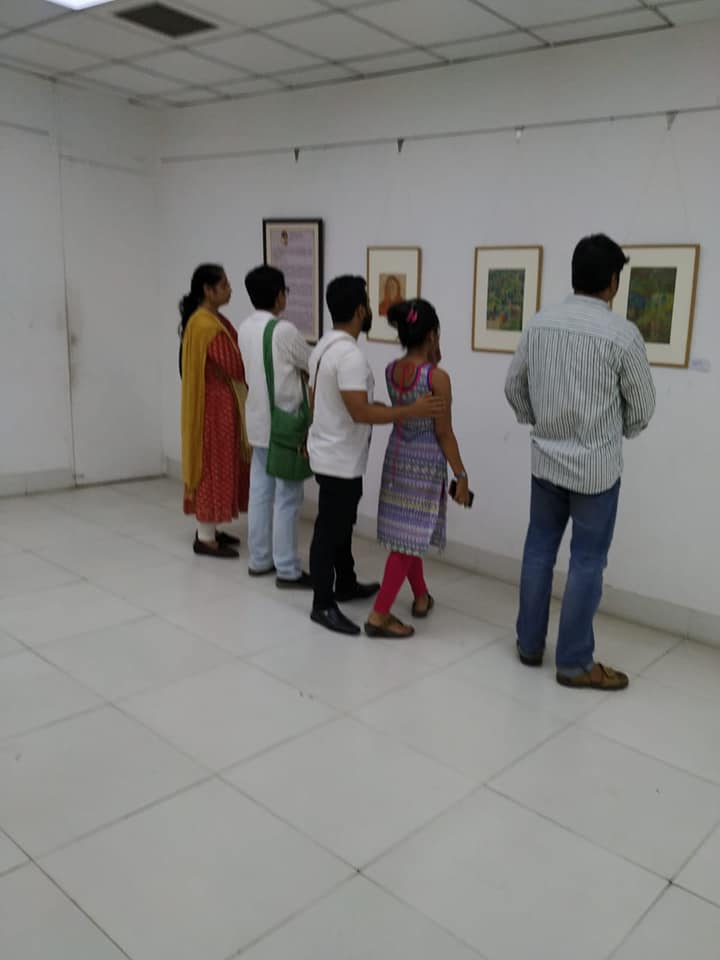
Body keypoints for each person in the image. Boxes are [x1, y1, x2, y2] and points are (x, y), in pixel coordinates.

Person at [505, 234, 656, 690]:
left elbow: (514, 387)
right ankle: (573, 663)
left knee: (538, 550)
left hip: (546, 464)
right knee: (587, 561)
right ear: (612, 281)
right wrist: (614, 433)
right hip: (597, 471)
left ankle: (529, 644)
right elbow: (642, 409)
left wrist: (538, 422)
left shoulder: (540, 324)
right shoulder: (622, 335)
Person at [308, 275, 446, 636]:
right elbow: (360, 412)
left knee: (341, 526)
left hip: (330, 449)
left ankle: (346, 582)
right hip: (339, 457)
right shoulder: (350, 356)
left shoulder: (323, 346)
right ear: (359, 311)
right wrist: (410, 410)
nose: (370, 311)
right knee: (329, 531)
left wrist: (382, 410)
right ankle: (322, 603)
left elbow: (318, 399)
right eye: (367, 305)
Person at [366, 299, 470, 638]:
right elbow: (444, 432)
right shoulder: (437, 378)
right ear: (432, 334)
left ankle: (421, 596)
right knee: (409, 538)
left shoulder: (391, 370)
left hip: (397, 457)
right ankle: (379, 614)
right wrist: (461, 475)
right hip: (425, 463)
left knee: (410, 532)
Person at [238, 265, 312, 588]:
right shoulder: (283, 331)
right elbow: (312, 362)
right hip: (284, 424)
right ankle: (287, 568)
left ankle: (259, 559)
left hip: (257, 421)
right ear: (280, 295)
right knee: (288, 497)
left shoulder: (245, 327)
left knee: (260, 492)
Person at [179, 264, 250, 558]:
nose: (230, 290)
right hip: (214, 409)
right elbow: (234, 365)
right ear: (208, 291)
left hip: (218, 404)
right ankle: (205, 538)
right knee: (212, 469)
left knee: (220, 466)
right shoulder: (206, 325)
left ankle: (210, 529)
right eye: (224, 285)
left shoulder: (208, 320)